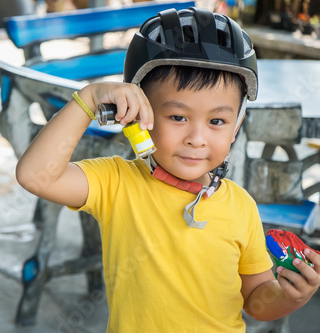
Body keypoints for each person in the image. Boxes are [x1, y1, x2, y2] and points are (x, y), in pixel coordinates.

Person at [16, 7, 320, 332]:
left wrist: (290, 297)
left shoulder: (241, 206)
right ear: (139, 113)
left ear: (236, 127)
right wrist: (88, 99)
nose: (196, 139)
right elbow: (35, 175)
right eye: (178, 117)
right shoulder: (116, 183)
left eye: (217, 121)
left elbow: (257, 302)